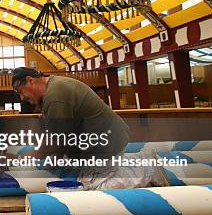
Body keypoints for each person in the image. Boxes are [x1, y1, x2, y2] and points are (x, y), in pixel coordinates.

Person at [11, 67, 166, 189]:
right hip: (102, 141)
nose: (22, 98)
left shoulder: (55, 97)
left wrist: (28, 157)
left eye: (20, 92)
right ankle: (138, 163)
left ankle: (149, 169)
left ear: (30, 80)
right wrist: (55, 157)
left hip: (107, 144)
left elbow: (56, 139)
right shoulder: (52, 90)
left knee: (92, 188)